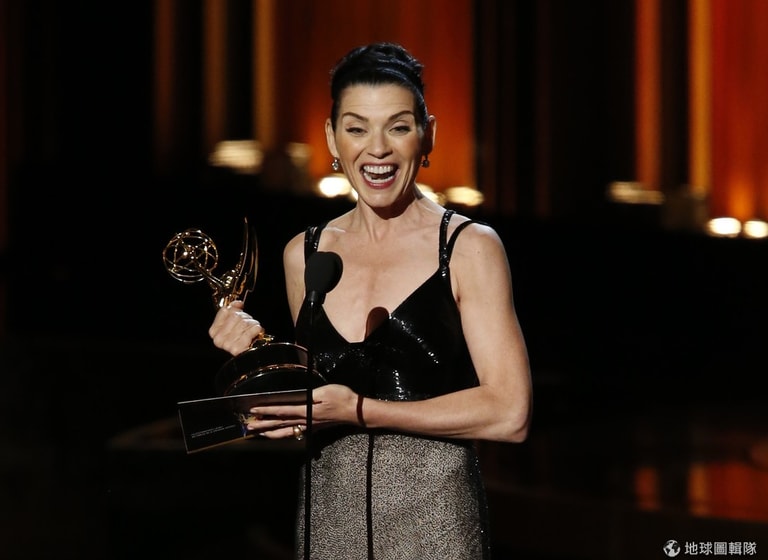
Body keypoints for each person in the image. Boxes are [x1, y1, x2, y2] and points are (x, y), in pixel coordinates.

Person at [208, 42, 532, 560]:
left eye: (397, 127)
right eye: (357, 129)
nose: (376, 149)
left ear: (427, 135)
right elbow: (310, 407)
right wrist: (255, 359)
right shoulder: (305, 253)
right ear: (331, 138)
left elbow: (509, 413)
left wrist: (359, 410)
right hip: (327, 529)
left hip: (434, 532)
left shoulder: (467, 247)